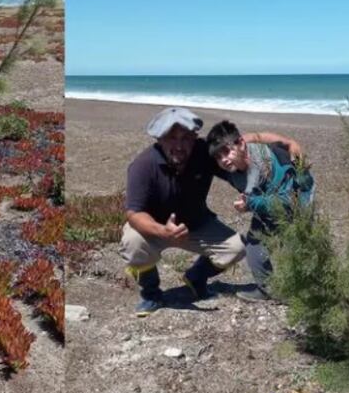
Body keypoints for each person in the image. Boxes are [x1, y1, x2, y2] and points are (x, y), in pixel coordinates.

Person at [122, 107, 303, 315]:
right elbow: (133, 213)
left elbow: (247, 138)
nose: (179, 145)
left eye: (186, 138)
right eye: (172, 138)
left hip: (196, 225)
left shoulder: (203, 153)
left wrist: (289, 143)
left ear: (195, 137)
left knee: (237, 248)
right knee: (132, 241)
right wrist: (162, 231)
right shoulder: (143, 165)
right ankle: (151, 294)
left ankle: (196, 277)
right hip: (154, 228)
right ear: (159, 139)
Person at [206, 120, 314, 302]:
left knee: (297, 246)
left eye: (226, 151)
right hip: (264, 198)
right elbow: (256, 136)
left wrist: (251, 203)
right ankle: (268, 289)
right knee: (254, 249)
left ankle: (309, 296)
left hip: (297, 198)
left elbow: (288, 202)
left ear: (241, 144)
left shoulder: (271, 163)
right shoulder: (233, 163)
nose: (223, 159)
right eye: (218, 156)